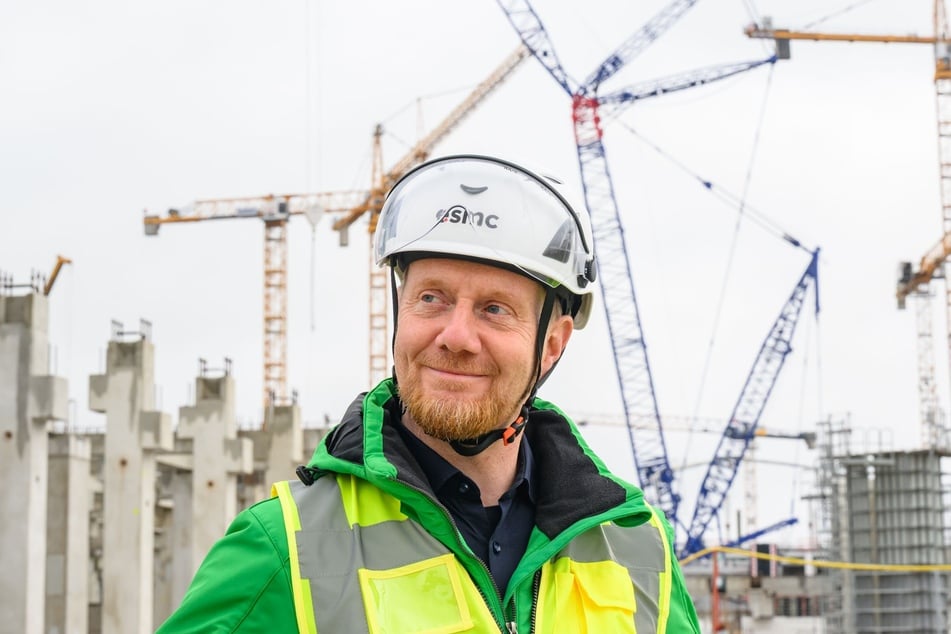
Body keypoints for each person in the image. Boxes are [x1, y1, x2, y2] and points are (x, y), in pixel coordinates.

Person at [156, 154, 700, 633]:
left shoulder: (637, 549)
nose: (456, 337)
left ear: (551, 346)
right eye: (432, 298)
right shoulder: (285, 550)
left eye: (494, 309)